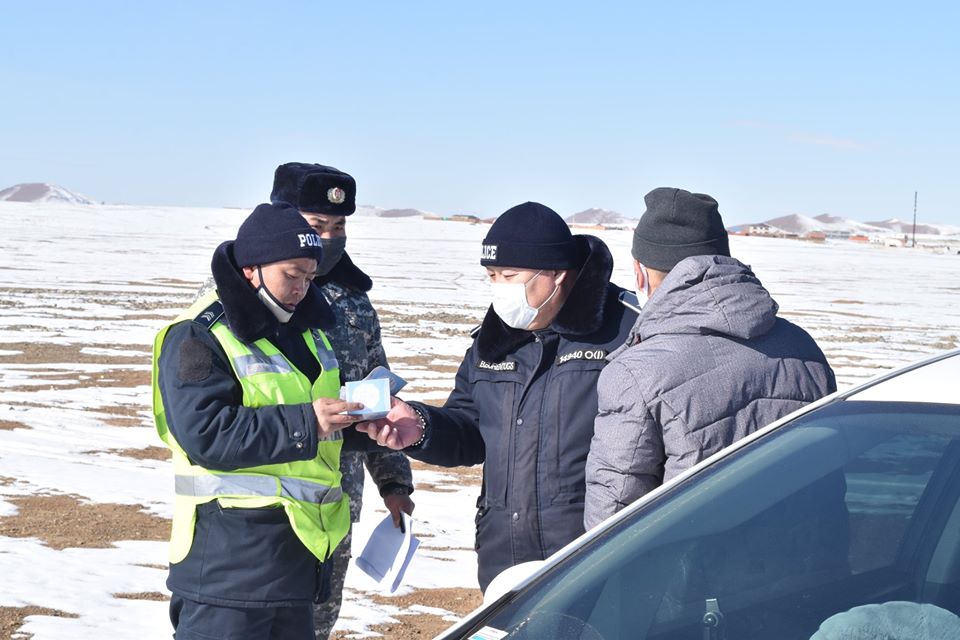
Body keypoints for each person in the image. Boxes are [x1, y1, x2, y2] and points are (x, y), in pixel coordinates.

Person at [355, 201, 639, 591]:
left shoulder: (624, 333)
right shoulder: (493, 342)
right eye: (491, 275)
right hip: (504, 558)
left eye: (509, 275)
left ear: (557, 274)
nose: (499, 288)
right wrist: (421, 428)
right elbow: (470, 430)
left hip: (596, 556)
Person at [152, 202, 378, 640]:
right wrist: (309, 422)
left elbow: (318, 427)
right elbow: (206, 433)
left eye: (309, 278)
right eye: (291, 275)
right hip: (229, 571)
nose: (301, 289)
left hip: (296, 561)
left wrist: (365, 426)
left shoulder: (308, 333)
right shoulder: (200, 335)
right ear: (251, 269)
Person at [583, 187, 837, 529]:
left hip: (689, 559)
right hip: (800, 552)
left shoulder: (636, 373)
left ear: (640, 272)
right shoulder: (804, 347)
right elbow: (828, 476)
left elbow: (612, 518)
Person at [270, 162, 415, 638]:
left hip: (336, 501)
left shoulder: (353, 300)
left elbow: (378, 393)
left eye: (339, 227)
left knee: (316, 623)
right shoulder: (248, 296)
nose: (329, 239)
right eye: (317, 226)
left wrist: (394, 481)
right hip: (267, 503)